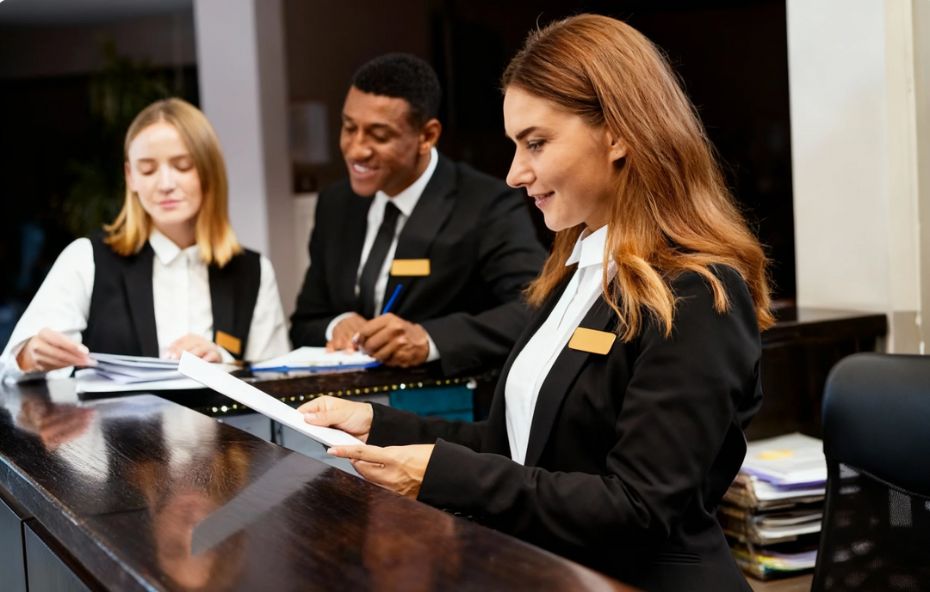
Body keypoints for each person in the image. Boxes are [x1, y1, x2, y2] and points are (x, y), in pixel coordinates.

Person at [298, 14, 773, 591]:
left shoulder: (697, 292)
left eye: (536, 143)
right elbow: (514, 444)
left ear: (619, 133)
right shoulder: (572, 273)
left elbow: (637, 509)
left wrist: (438, 475)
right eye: (514, 146)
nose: (515, 173)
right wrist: (379, 425)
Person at [289, 53, 546, 376]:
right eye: (348, 127)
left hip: (446, 407)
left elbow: (535, 306)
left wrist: (428, 339)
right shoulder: (335, 203)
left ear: (427, 136)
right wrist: (337, 325)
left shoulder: (486, 203)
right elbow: (304, 323)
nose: (355, 149)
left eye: (379, 136)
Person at [0, 98, 289, 378]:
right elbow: (10, 367)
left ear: (209, 170)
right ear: (130, 177)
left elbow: (278, 379)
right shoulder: (87, 258)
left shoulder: (253, 271)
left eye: (182, 166)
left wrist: (224, 362)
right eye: (148, 169)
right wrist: (28, 357)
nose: (165, 184)